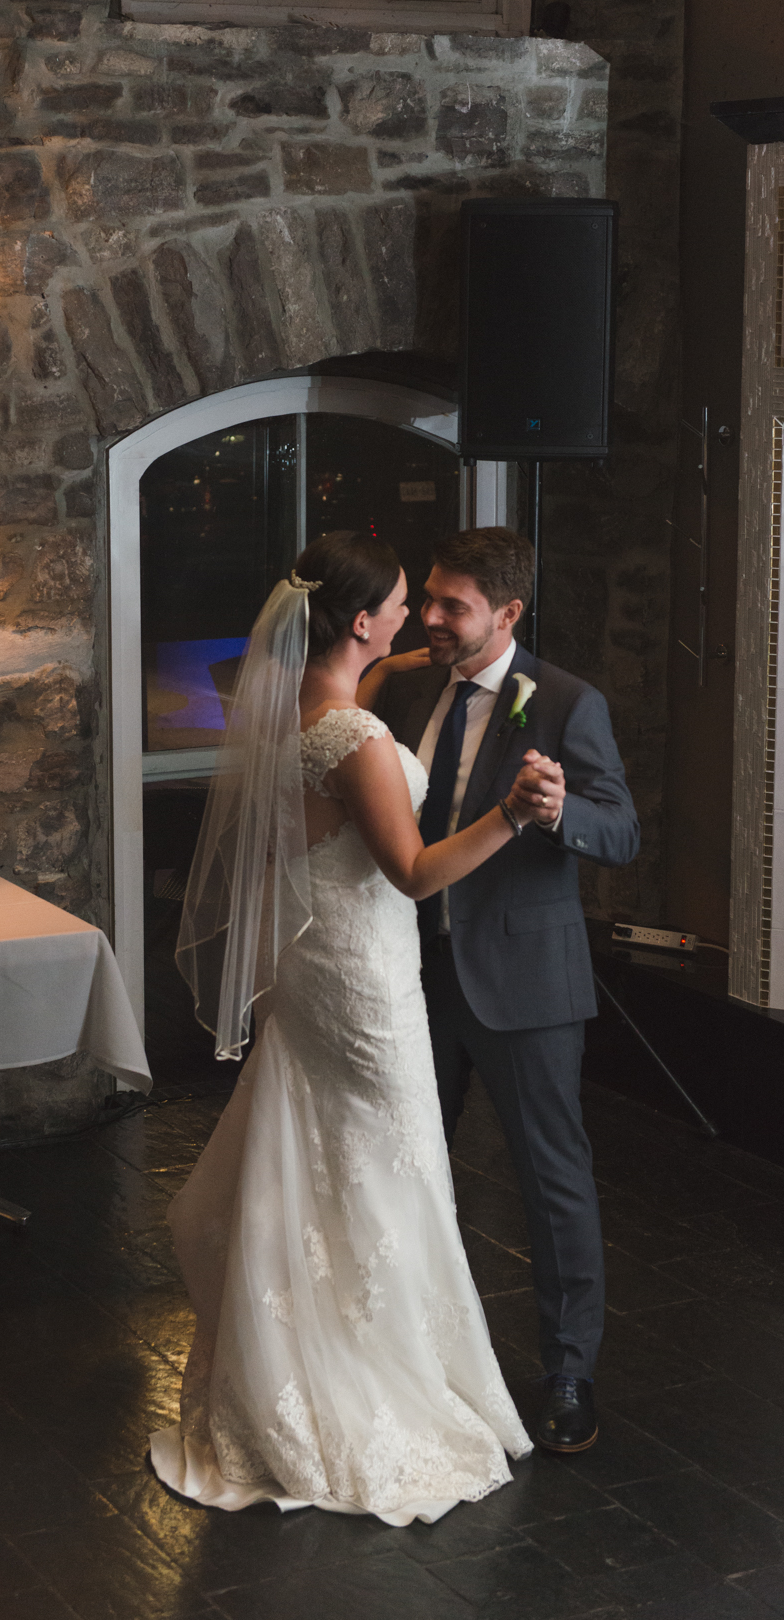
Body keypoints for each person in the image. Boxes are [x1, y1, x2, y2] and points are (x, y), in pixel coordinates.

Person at [150, 531, 559, 1526]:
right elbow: (413, 873)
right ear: (361, 621)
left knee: (320, 1149)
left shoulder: (305, 709)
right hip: (366, 979)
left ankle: (290, 1355)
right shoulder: (356, 738)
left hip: (311, 964)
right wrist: (507, 813)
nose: (420, 617)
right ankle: (365, 1381)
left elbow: (374, 684)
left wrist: (429, 659)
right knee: (388, 1162)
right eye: (406, 604)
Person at [362, 525, 640, 1455]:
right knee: (408, 1170)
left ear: (507, 615)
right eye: (430, 599)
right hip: (409, 971)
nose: (434, 619)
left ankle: (567, 1369)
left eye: (454, 607)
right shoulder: (403, 687)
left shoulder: (565, 702)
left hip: (523, 981)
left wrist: (562, 813)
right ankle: (415, 1353)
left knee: (550, 1182)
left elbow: (621, 831)